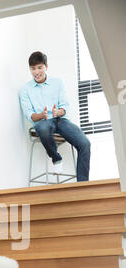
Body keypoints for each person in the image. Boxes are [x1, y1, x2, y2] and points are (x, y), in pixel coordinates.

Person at [19, 51, 91, 182]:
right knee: (44, 128)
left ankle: (83, 184)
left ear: (46, 67)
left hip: (60, 120)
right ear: (30, 70)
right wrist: (41, 115)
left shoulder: (58, 83)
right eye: (33, 68)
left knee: (85, 143)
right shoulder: (25, 90)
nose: (36, 72)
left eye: (39, 67)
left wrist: (59, 112)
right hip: (43, 122)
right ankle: (56, 158)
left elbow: (64, 105)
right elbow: (29, 115)